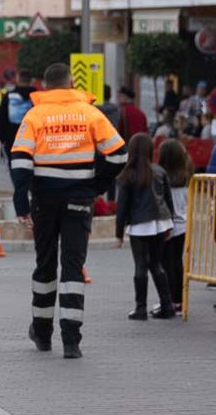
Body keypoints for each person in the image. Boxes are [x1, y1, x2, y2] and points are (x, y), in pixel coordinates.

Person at [11, 62, 127, 358]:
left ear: (45, 86)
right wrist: (94, 186)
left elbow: (21, 161)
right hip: (79, 200)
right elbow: (119, 154)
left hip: (44, 201)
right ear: (72, 83)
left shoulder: (35, 115)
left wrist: (21, 203)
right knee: (73, 267)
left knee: (45, 265)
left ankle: (42, 333)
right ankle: (72, 341)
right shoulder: (90, 113)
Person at [116, 133, 175, 320]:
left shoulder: (127, 174)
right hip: (160, 222)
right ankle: (168, 305)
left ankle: (140, 308)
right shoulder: (159, 171)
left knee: (140, 265)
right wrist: (170, 222)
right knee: (156, 265)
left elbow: (122, 207)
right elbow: (168, 199)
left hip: (140, 224)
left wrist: (119, 233)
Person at [157, 138, 192, 313]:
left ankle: (170, 299)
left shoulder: (162, 178)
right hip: (183, 224)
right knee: (177, 263)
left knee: (166, 264)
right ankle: (180, 300)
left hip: (167, 226)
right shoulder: (186, 176)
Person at [0, 69, 35, 161]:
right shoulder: (37, 96)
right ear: (31, 80)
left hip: (12, 139)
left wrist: (0, 137)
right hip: (34, 139)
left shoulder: (8, 96)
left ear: (17, 79)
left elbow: (2, 118)